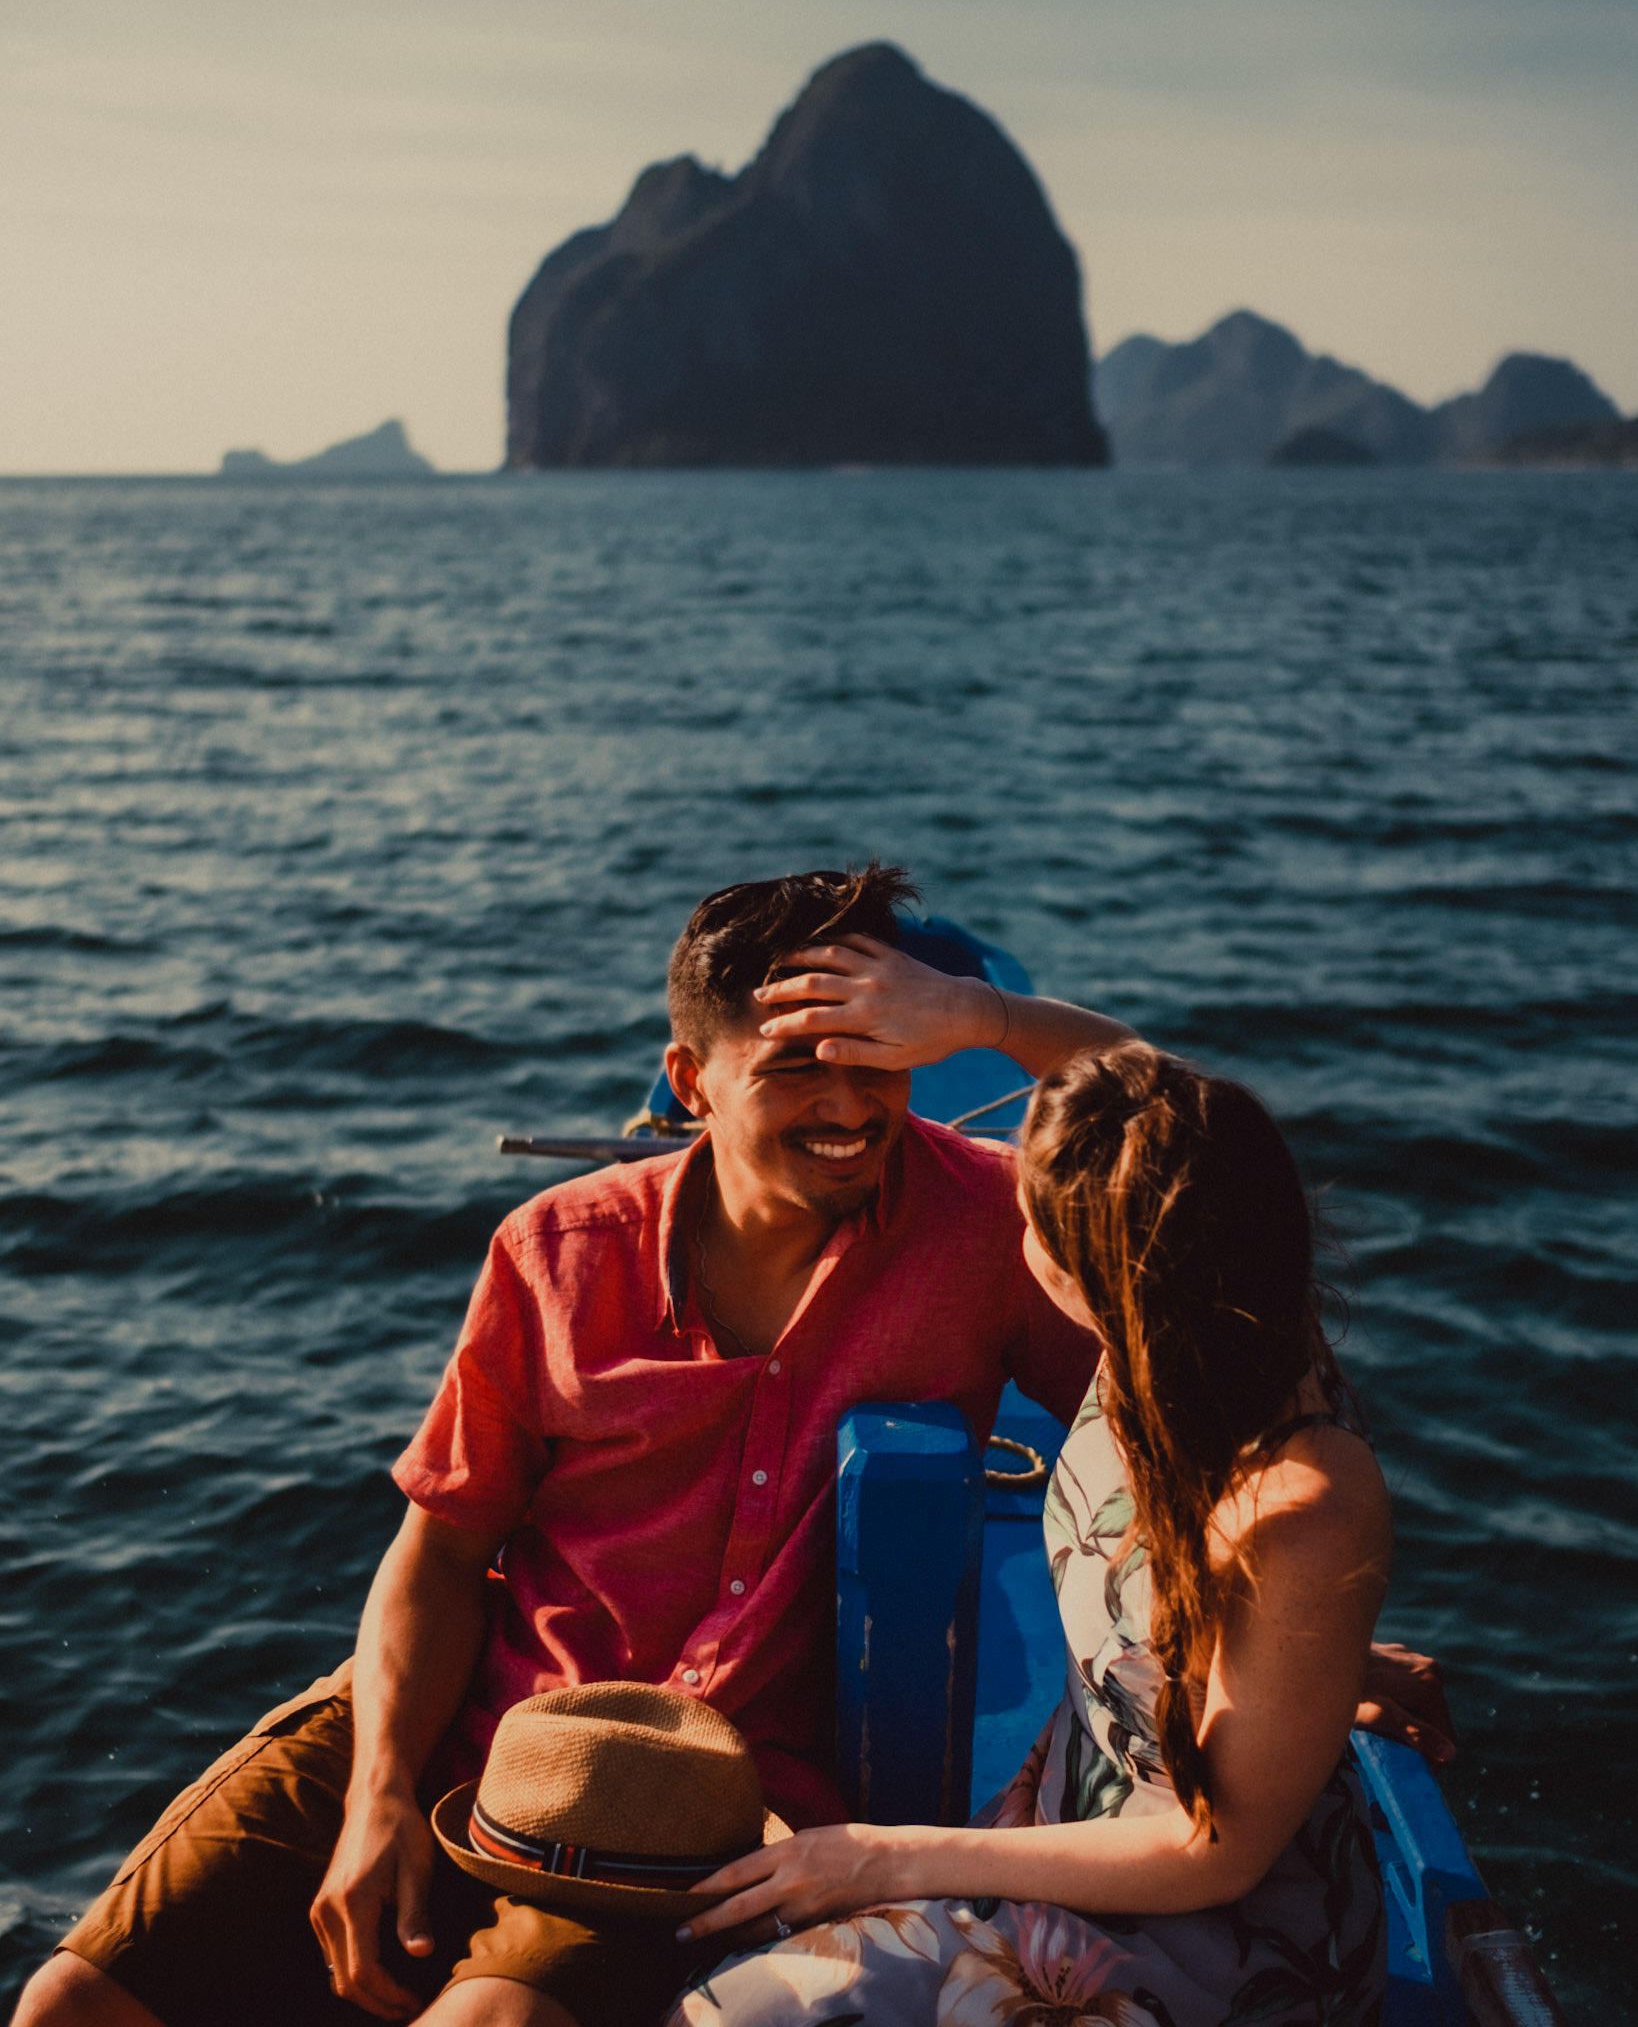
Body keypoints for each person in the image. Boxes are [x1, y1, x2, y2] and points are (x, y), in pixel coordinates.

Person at [15, 868, 1446, 2027]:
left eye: (876, 1061)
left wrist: (980, 1016)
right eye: (795, 1068)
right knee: (68, 1998)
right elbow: (438, 1555)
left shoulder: (988, 1225)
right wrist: (378, 1796)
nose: (848, 1105)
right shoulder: (552, 1251)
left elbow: (1189, 1163)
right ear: (688, 1080)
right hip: (476, 1705)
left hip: (706, 1784)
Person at [657, 962, 1394, 2026]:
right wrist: (977, 1015)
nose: (1017, 1230)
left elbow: (1212, 1848)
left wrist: (884, 1857)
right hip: (1061, 1834)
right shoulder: (1185, 1333)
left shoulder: (1300, 1500)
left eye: (1035, 1219)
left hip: (1208, 1940)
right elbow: (1158, 1104)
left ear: (1098, 1268)